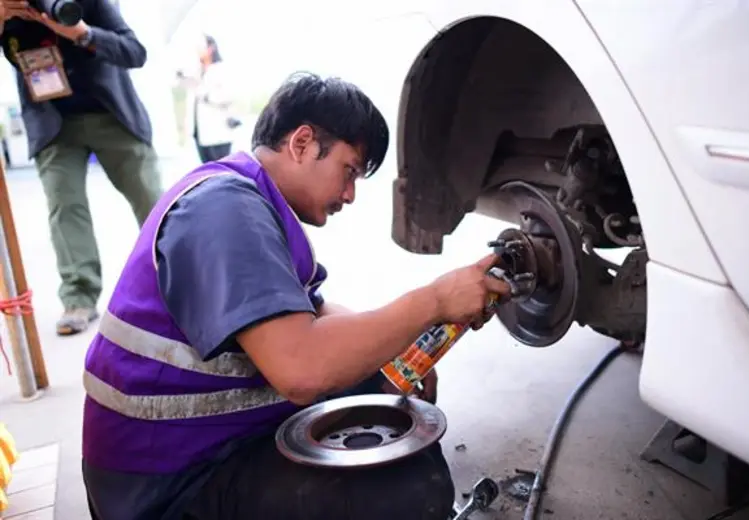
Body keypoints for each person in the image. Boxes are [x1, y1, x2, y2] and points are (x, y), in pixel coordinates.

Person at [80, 72, 511, 520]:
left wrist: (398, 349)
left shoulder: (250, 199)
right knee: (406, 488)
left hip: (199, 449)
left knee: (377, 383)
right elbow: (302, 370)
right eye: (349, 171)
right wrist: (435, 301)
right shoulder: (223, 210)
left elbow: (318, 314)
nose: (349, 194)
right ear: (302, 143)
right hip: (163, 489)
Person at [0, 0, 163, 336]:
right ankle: (79, 298)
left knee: (153, 202)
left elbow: (135, 52)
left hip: (113, 116)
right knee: (65, 207)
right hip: (54, 126)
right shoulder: (10, 12)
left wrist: (81, 32)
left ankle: (180, 281)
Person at [176, 33, 238, 164]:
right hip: (200, 134)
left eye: (201, 46)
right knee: (207, 173)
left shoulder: (221, 69)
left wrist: (206, 95)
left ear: (211, 48)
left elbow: (229, 95)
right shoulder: (196, 71)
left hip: (218, 134)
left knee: (221, 173)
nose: (197, 50)